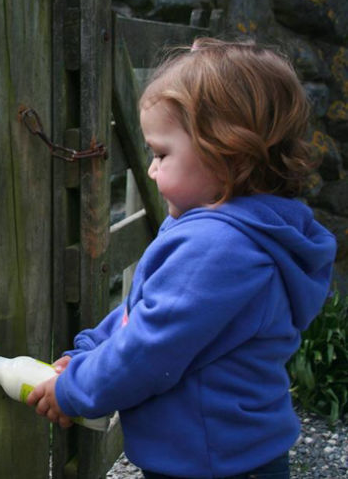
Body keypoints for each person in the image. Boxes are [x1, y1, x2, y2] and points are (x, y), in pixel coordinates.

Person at [26, 38, 337, 478]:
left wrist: (74, 390)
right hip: (234, 453)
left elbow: (150, 349)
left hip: (211, 464)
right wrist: (90, 351)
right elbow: (145, 312)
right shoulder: (241, 230)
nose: (151, 170)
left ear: (226, 152)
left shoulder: (219, 248)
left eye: (161, 154)